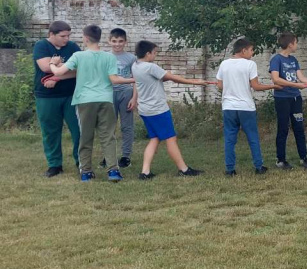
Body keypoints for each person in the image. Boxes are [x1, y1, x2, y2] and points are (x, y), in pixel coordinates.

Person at [48, 25, 135, 182]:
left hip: (85, 100)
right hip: (105, 99)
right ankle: (113, 171)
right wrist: (134, 79)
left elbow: (58, 72)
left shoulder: (78, 56)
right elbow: (114, 79)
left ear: (85, 38)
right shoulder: (109, 57)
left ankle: (86, 172)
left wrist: (52, 63)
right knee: (108, 136)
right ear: (100, 38)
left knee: (86, 136)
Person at [130, 40, 211, 180]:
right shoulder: (151, 67)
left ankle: (145, 172)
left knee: (154, 139)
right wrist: (195, 82)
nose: (155, 55)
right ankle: (184, 170)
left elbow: (155, 79)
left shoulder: (135, 66)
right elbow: (172, 78)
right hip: (158, 110)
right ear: (148, 53)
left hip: (145, 110)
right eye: (154, 53)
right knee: (170, 139)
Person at [216, 38, 278, 176]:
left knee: (230, 139)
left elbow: (219, 85)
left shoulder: (224, 64)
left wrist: (232, 88)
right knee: (252, 137)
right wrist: (273, 86)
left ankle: (230, 169)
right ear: (243, 50)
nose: (252, 53)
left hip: (228, 106)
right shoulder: (250, 64)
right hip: (246, 107)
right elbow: (256, 86)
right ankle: (258, 166)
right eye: (251, 50)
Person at [32, 20, 82, 177]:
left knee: (78, 129)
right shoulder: (41, 46)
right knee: (50, 130)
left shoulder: (73, 47)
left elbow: (81, 68)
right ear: (51, 34)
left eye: (68, 36)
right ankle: (54, 165)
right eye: (63, 36)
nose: (67, 39)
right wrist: (67, 66)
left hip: (71, 95)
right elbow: (46, 67)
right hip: (46, 96)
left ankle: (82, 162)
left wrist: (57, 75)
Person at [270, 32, 307, 170]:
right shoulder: (276, 59)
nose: (297, 45)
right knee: (283, 128)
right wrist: (295, 85)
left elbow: (301, 77)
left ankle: (304, 158)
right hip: (282, 99)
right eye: (296, 42)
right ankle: (281, 160)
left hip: (296, 98)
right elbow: (276, 79)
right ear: (290, 44)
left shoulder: (293, 59)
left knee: (299, 128)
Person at [109, 28, 136, 168]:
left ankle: (126, 156)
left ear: (125, 42)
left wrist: (134, 98)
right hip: (109, 93)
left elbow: (136, 79)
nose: (117, 44)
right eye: (114, 41)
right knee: (109, 126)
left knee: (126, 126)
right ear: (109, 41)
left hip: (126, 93)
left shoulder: (131, 58)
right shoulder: (105, 56)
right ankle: (108, 156)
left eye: (120, 41)